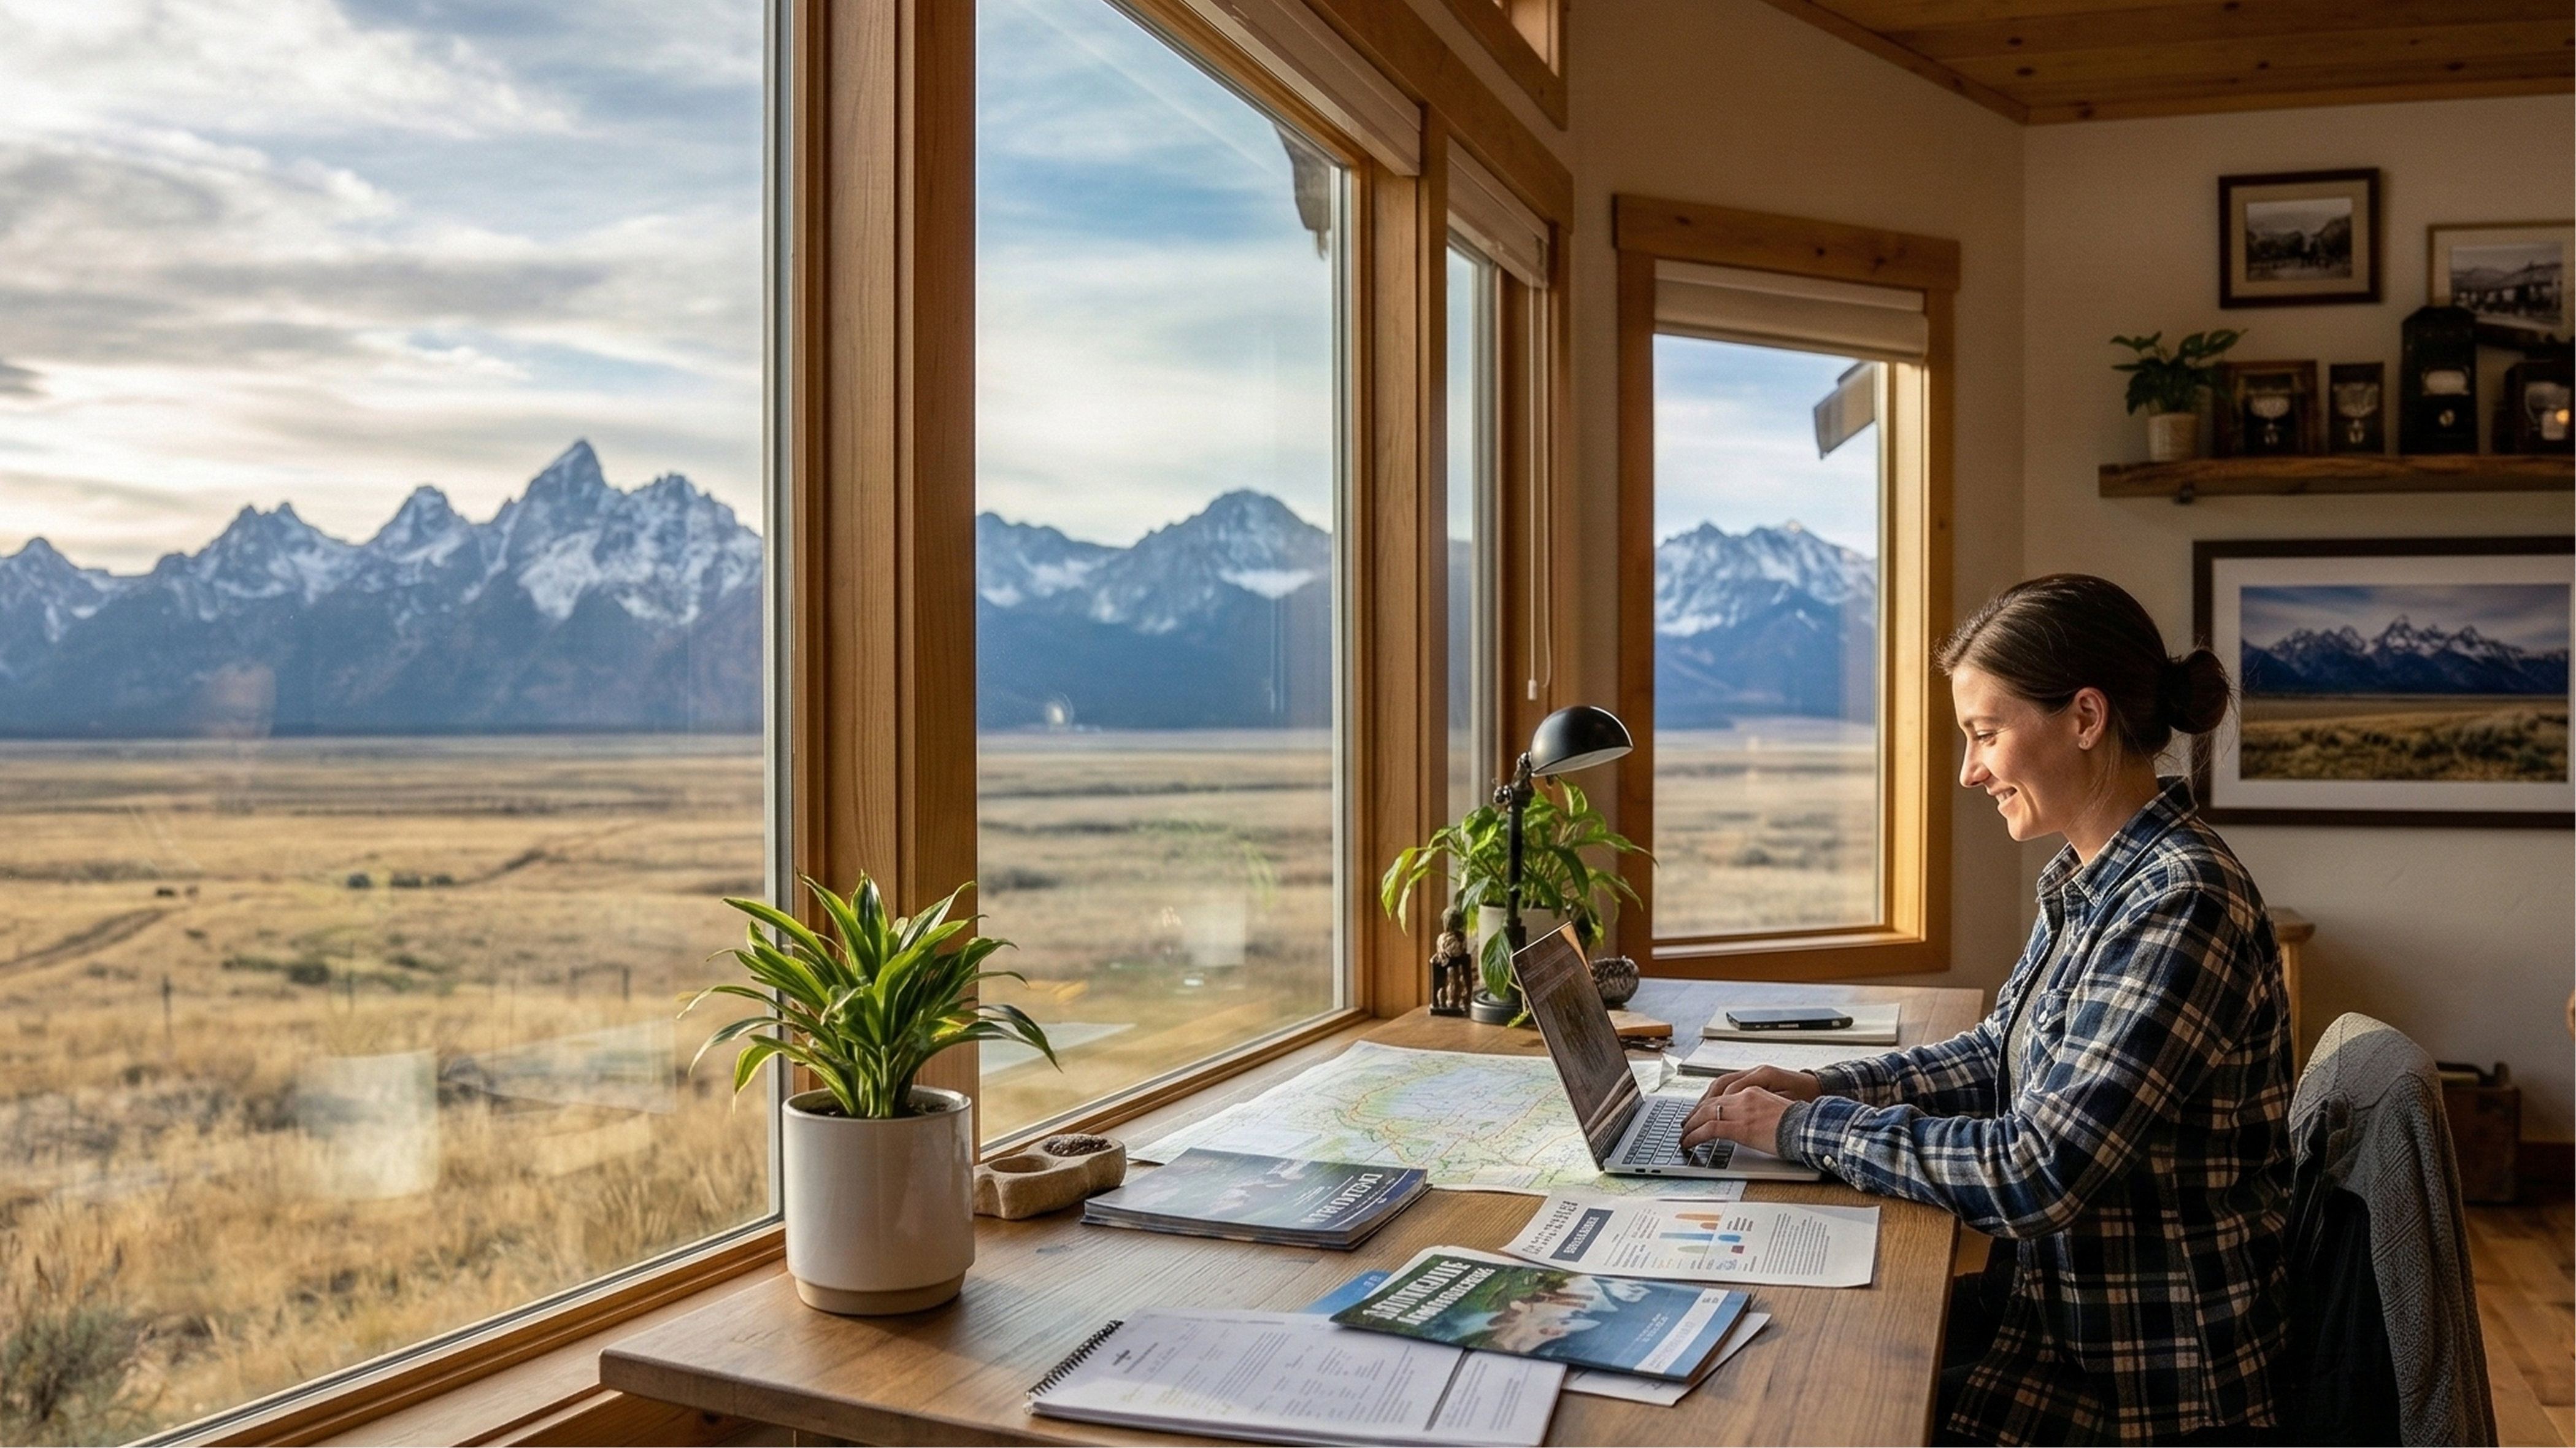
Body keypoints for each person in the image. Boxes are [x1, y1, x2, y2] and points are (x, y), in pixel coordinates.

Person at [1680, 574, 2293, 1447]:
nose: (1968, 771)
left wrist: (1802, 1129)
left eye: (1984, 734)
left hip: (2137, 1383)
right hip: (2054, 1317)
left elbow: (2033, 1169)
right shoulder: (2098, 879)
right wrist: (1818, 1083)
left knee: (1794, 1398)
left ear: (2084, 719)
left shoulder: (2180, 900)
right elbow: (1997, 1054)